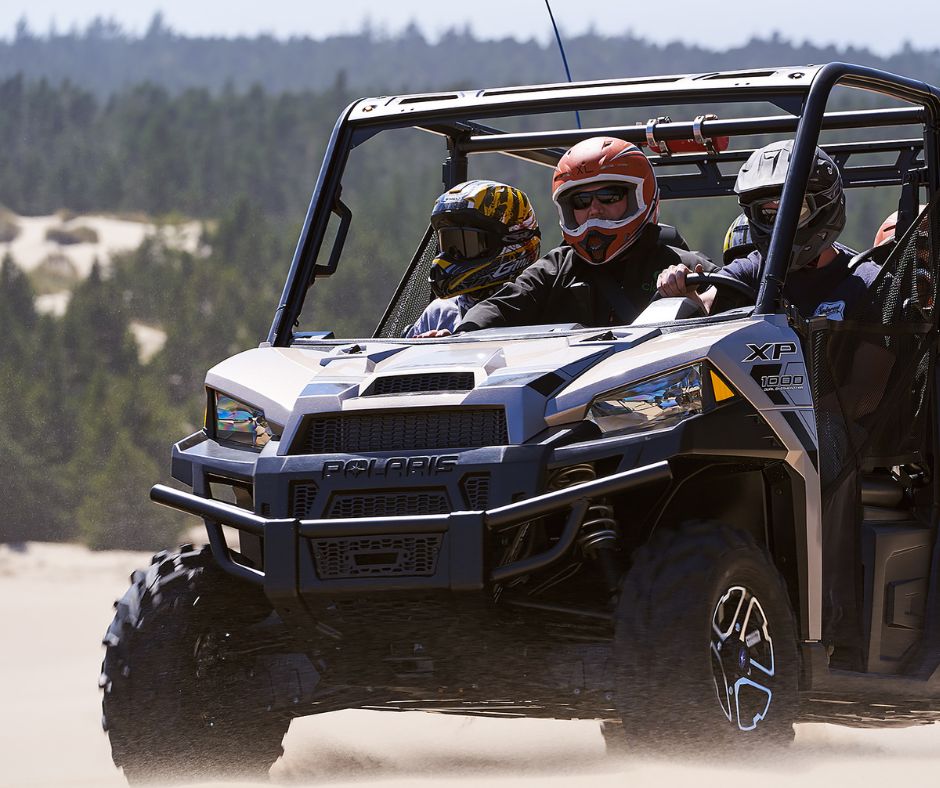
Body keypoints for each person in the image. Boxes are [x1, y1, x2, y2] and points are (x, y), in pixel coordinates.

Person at [418, 137, 715, 335]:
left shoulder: (680, 263)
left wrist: (696, 302)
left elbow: (737, 303)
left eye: (609, 196)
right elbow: (502, 306)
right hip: (564, 414)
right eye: (581, 202)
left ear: (639, 197)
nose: (594, 210)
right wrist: (460, 338)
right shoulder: (556, 267)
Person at [657, 139, 878, 320]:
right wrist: (687, 295)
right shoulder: (752, 269)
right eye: (768, 214)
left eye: (794, 210)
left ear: (825, 207)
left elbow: (872, 371)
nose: (780, 224)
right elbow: (706, 307)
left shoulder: (868, 281)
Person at [405, 180, 541, 337]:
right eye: (449, 244)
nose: (451, 256)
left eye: (467, 243)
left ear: (513, 242)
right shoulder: (440, 313)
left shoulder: (536, 310)